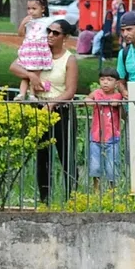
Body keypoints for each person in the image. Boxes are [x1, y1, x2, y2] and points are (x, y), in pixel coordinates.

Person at [33, 20, 80, 202]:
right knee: (42, 157)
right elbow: (17, 67)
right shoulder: (40, 55)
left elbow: (70, 91)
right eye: (49, 31)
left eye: (56, 33)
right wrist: (30, 76)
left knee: (66, 156)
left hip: (62, 111)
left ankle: (72, 199)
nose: (51, 35)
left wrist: (53, 103)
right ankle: (44, 198)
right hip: (40, 108)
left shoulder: (69, 59)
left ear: (65, 37)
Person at [87, 66, 126, 192]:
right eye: (102, 79)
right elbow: (86, 99)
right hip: (96, 136)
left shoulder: (118, 95)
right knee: (95, 166)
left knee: (112, 166)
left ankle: (112, 191)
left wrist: (116, 103)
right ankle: (96, 190)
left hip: (112, 137)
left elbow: (118, 104)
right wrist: (92, 102)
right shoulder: (97, 93)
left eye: (109, 80)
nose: (105, 82)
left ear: (116, 83)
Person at [11, 0, 56, 99]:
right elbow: (20, 34)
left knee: (35, 73)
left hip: (39, 50)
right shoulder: (29, 21)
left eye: (34, 8)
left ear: (43, 9)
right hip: (29, 49)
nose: (31, 11)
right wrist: (23, 24)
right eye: (29, 8)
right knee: (26, 73)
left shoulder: (48, 21)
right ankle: (21, 94)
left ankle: (32, 94)